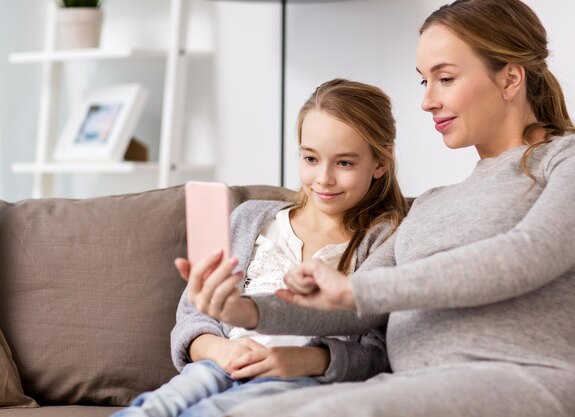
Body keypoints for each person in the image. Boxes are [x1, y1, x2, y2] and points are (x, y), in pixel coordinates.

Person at [190, 1, 575, 416]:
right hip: (413, 387)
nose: (427, 101)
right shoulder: (434, 203)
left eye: (445, 78)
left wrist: (356, 290)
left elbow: (529, 254)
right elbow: (356, 302)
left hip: (533, 381)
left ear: (510, 79)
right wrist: (247, 311)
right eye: (424, 80)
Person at [110, 78, 407, 417]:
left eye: (344, 163)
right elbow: (193, 317)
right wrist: (222, 351)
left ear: (380, 163)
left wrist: (308, 360)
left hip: (299, 381)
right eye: (311, 159)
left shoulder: (384, 240)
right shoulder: (251, 219)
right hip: (221, 363)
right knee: (155, 409)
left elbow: (381, 351)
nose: (323, 178)